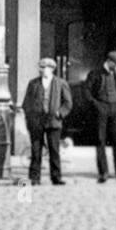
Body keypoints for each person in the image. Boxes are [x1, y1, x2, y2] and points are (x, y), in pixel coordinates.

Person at [23, 57, 73, 185]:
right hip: (37, 121)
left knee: (54, 150)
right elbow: (26, 103)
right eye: (41, 67)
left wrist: (59, 113)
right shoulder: (33, 83)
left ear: (52, 69)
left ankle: (56, 177)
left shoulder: (60, 83)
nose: (42, 70)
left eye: (45, 68)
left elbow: (68, 103)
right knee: (36, 150)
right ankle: (34, 177)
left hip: (53, 121)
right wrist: (30, 118)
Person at [86, 51, 116, 183]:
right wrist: (96, 105)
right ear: (109, 61)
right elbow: (87, 91)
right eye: (115, 64)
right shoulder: (95, 73)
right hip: (101, 108)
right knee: (100, 140)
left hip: (115, 109)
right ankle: (103, 172)